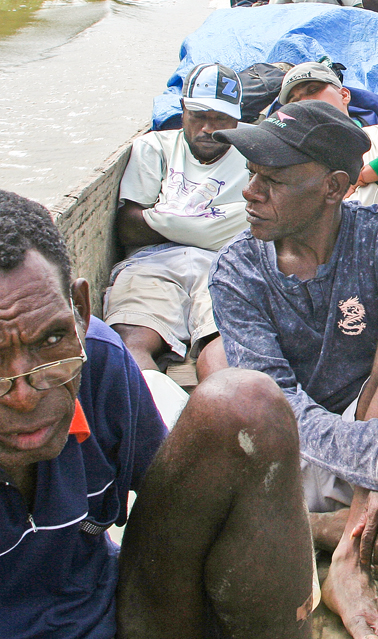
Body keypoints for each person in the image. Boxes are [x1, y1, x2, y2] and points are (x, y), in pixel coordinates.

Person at [0, 190, 319, 639]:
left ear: (81, 309)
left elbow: (172, 505)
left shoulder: (99, 361)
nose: (24, 394)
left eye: (52, 341)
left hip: (110, 613)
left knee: (247, 403)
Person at [209, 102, 378, 638]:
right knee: (227, 380)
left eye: (272, 180)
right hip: (284, 461)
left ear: (333, 188)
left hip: (373, 453)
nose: (249, 193)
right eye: (251, 175)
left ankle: (347, 561)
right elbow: (279, 403)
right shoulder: (236, 270)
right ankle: (328, 526)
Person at [103, 63, 246, 392]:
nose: (208, 128)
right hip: (151, 260)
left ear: (237, 118)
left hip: (224, 262)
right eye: (198, 115)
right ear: (182, 110)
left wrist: (164, 216)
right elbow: (129, 228)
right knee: (132, 336)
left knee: (225, 340)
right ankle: (152, 421)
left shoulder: (253, 152)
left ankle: (218, 419)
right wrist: (220, 221)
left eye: (220, 119)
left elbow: (266, 220)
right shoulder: (155, 148)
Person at [277, 61, 378, 245]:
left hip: (377, 251)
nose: (304, 102)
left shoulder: (377, 135)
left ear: (344, 95)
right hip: (318, 257)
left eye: (312, 90)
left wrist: (363, 176)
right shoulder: (288, 157)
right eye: (294, 101)